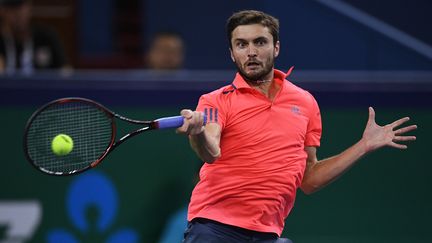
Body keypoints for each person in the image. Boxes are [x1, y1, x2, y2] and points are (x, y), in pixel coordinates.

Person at [175, 10, 417, 243]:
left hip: (268, 232)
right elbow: (211, 152)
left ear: (276, 47)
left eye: (259, 42)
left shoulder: (305, 102)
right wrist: (197, 134)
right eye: (241, 44)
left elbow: (309, 179)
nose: (251, 52)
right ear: (231, 53)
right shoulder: (214, 100)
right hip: (215, 228)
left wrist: (363, 146)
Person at [0, 0, 68, 75]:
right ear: (3, 12)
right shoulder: (2, 41)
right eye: (12, 9)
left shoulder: (46, 36)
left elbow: (65, 71)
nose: (18, 13)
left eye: (21, 7)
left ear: (29, 8)